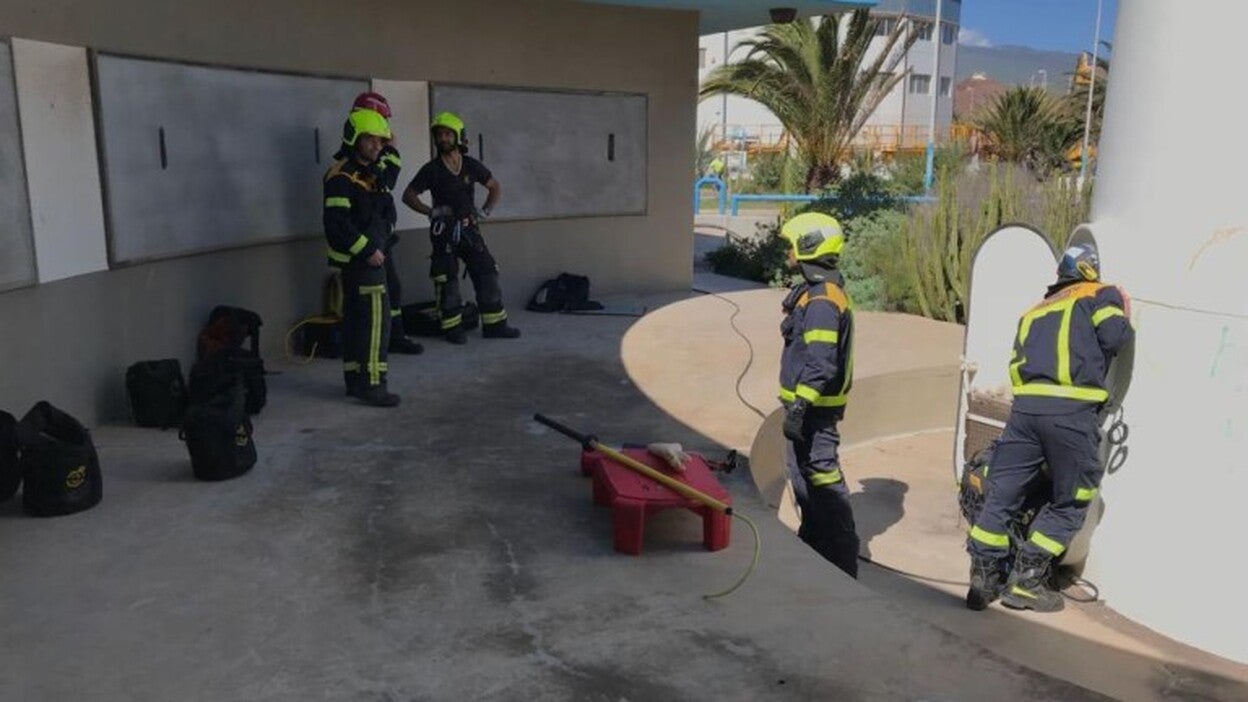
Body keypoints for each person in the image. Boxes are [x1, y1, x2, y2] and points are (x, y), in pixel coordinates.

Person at [966, 242, 1134, 612]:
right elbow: (1114, 338)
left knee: (1002, 494)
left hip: (1024, 413)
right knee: (1073, 498)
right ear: (1090, 269)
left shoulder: (1035, 309)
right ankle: (1027, 582)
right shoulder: (1099, 294)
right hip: (1071, 412)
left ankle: (983, 579)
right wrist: (1122, 309)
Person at [777, 212, 860, 578]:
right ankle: (814, 549)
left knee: (824, 481)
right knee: (805, 483)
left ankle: (842, 561)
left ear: (807, 245)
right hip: (807, 410)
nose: (787, 253)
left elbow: (821, 362)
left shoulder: (823, 301)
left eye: (791, 246)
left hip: (814, 413)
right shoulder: (815, 294)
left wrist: (800, 406)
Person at [401, 111, 520, 344]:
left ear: (458, 136)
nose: (443, 139)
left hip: (470, 230)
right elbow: (408, 195)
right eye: (439, 135)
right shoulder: (432, 169)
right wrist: (431, 212)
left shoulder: (471, 165)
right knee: (446, 278)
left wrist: (484, 211)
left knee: (487, 270)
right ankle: (452, 328)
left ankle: (495, 325)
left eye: (448, 134)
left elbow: (494, 186)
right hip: (443, 232)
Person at [322, 108, 401, 407]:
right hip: (363, 262)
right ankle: (373, 385)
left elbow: (385, 209)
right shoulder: (342, 176)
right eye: (370, 139)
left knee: (357, 321)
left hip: (371, 257)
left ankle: (356, 380)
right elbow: (337, 224)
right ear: (354, 138)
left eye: (381, 140)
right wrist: (368, 251)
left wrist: (386, 235)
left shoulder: (373, 172)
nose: (377, 145)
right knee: (375, 324)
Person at [342, 92, 424, 356]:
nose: (381, 135)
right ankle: (377, 349)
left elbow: (387, 179)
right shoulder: (356, 162)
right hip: (364, 243)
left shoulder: (374, 152)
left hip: (379, 236)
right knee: (369, 302)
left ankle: (395, 336)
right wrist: (391, 149)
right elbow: (387, 180)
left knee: (393, 288)